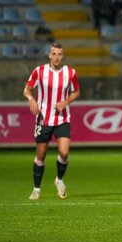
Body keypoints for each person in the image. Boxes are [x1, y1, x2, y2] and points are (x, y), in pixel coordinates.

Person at [24, 43, 80, 200]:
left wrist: (65, 102)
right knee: (41, 155)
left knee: (64, 152)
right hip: (43, 118)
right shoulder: (39, 71)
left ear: (62, 56)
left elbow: (76, 91)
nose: (56, 57)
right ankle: (36, 189)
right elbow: (27, 89)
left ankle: (59, 180)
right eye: (54, 54)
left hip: (62, 118)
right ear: (49, 55)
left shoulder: (70, 72)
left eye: (59, 54)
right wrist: (31, 99)